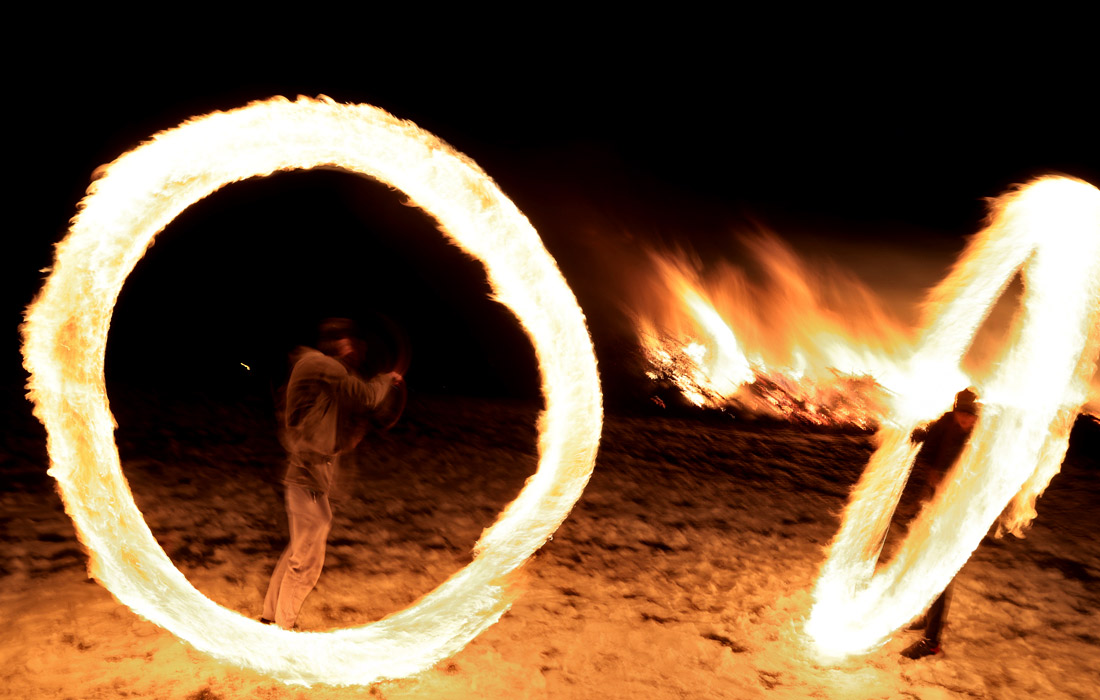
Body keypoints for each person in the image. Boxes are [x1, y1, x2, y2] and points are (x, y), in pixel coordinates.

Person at [262, 318, 402, 629]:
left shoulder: (313, 367)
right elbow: (365, 395)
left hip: (309, 473)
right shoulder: (324, 367)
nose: (354, 349)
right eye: (347, 341)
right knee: (307, 558)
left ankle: (271, 616)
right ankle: (284, 628)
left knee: (300, 548)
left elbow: (333, 419)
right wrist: (387, 379)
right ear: (331, 344)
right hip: (306, 474)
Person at [900, 387, 980, 659]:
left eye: (970, 416)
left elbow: (977, 474)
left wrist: (952, 485)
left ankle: (931, 641)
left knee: (940, 566)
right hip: (935, 501)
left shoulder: (981, 438)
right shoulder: (947, 422)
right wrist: (918, 437)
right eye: (961, 413)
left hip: (957, 509)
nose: (964, 420)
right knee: (924, 557)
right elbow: (930, 439)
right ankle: (929, 617)